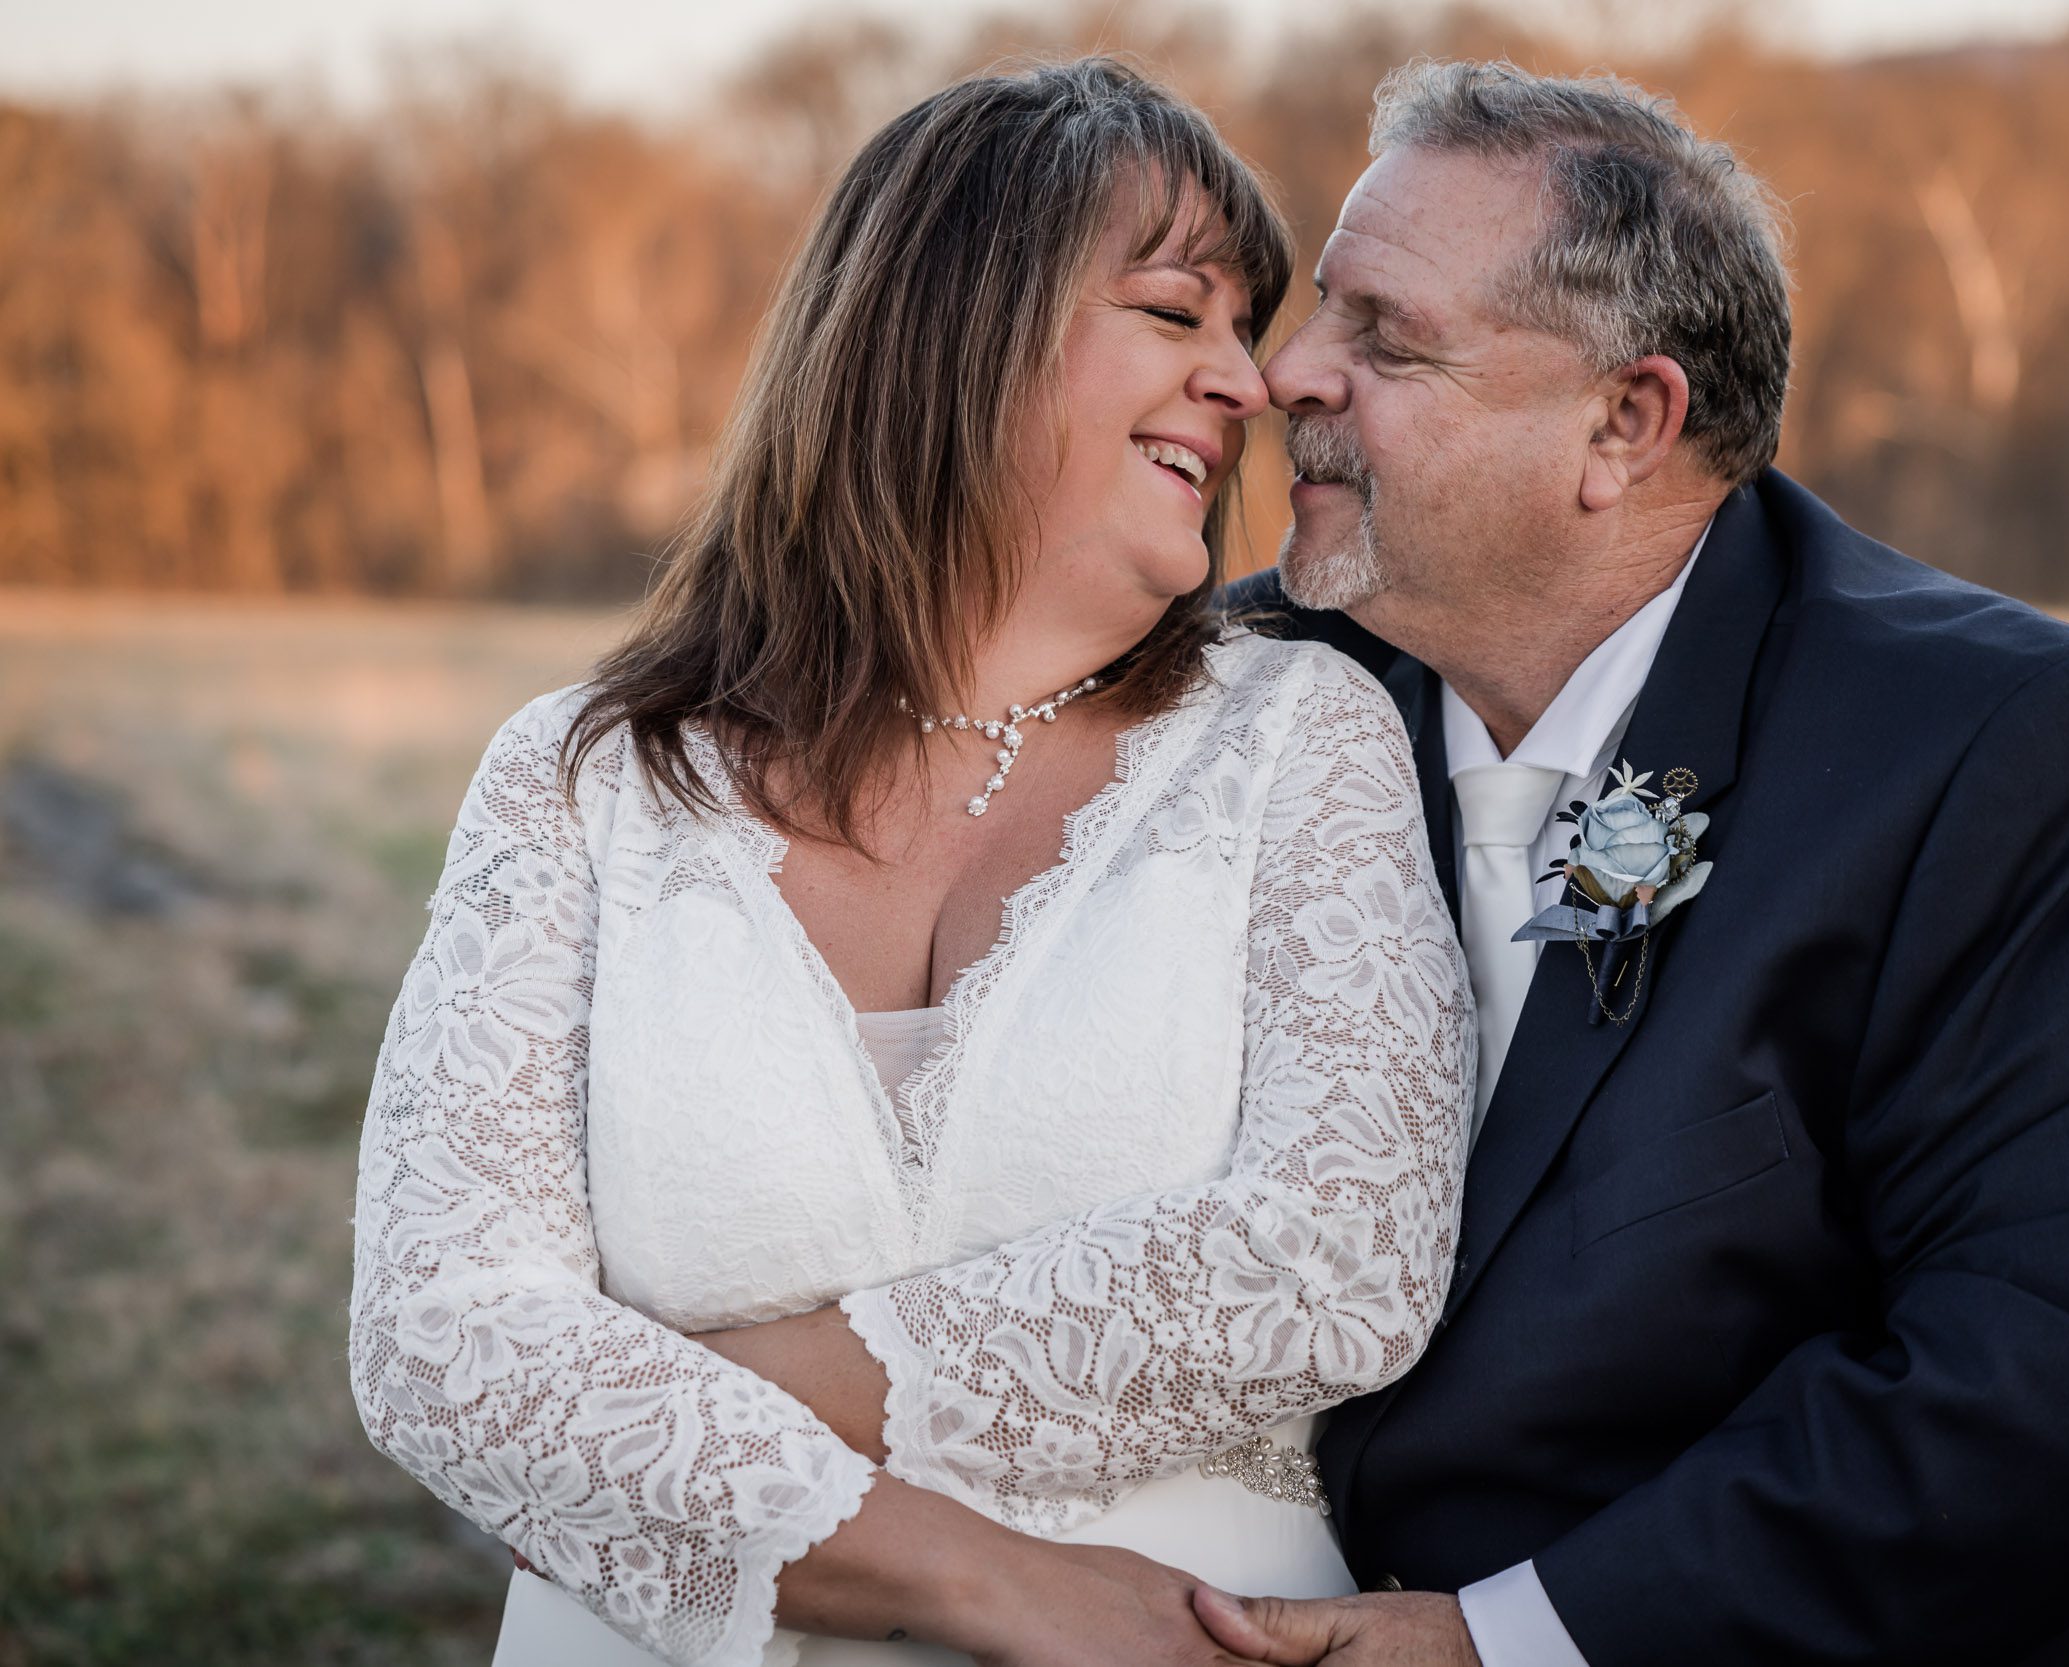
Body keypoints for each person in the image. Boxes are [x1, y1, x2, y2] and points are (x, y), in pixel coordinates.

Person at [1202, 59, 2069, 1667]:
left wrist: (1500, 1644)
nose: (1284, 370)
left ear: (1625, 424)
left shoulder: (2001, 753)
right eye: (1319, 307)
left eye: (1386, 337)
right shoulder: (1265, 681)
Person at [347, 60, 1471, 1667]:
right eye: (1177, 313)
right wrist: (985, 1581)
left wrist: (676, 1410)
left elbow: (1338, 1258)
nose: (1248, 384)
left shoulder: (1299, 735)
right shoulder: (587, 776)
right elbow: (442, 1338)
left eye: (1245, 331)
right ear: (955, 326)